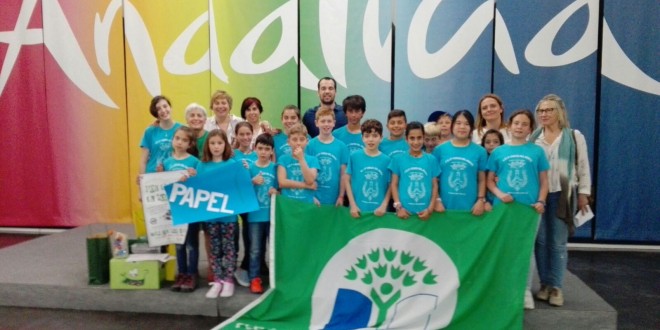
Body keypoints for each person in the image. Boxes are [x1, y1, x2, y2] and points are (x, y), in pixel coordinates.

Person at [529, 94, 592, 307]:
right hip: (537, 196)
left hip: (562, 195)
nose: (544, 114)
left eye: (549, 110)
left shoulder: (574, 137)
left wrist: (584, 193)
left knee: (557, 242)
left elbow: (583, 166)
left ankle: (556, 286)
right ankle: (544, 284)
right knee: (540, 241)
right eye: (541, 111)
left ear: (559, 113)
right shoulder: (533, 138)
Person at [486, 109, 549, 310]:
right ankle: (504, 288)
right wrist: (499, 194)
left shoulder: (537, 152)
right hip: (504, 208)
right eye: (516, 123)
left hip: (529, 210)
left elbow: (544, 181)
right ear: (509, 126)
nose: (519, 127)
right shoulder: (498, 152)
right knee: (503, 248)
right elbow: (489, 181)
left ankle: (524, 291)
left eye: (524, 124)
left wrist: (541, 201)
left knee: (526, 250)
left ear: (530, 128)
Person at [192, 129, 240, 299]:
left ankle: (228, 280)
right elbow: (197, 189)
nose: (216, 146)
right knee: (214, 248)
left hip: (229, 216)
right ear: (208, 146)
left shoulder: (232, 164)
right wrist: (189, 178)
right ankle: (218, 280)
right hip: (210, 216)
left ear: (225, 144)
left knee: (229, 248)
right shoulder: (201, 165)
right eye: (212, 143)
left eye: (219, 143)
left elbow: (239, 187)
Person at [162, 126, 201, 293]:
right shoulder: (167, 162)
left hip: (190, 209)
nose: (179, 142)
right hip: (174, 210)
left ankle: (192, 274)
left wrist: (194, 176)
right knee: (179, 243)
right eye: (177, 138)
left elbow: (201, 186)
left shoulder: (194, 162)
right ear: (172, 140)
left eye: (184, 140)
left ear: (190, 144)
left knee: (191, 244)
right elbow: (161, 185)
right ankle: (182, 273)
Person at [433, 110, 489, 215]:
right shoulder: (439, 150)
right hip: (443, 207)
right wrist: (436, 200)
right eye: (458, 123)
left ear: (472, 128)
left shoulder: (480, 151)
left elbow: (482, 179)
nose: (462, 127)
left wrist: (481, 200)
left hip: (471, 208)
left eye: (467, 124)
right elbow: (433, 179)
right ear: (452, 126)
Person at [246, 133, 279, 294]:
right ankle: (254, 278)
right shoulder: (250, 168)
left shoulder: (275, 168)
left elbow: (281, 189)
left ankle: (274, 279)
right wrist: (251, 181)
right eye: (260, 148)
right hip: (255, 217)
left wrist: (276, 191)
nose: (263, 152)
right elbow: (242, 191)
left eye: (267, 149)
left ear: (272, 151)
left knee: (273, 248)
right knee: (255, 249)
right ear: (255, 149)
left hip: (273, 217)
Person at [390, 122, 439, 220]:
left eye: (419, 138)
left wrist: (430, 209)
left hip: (425, 214)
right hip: (404, 213)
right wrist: (399, 208)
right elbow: (394, 184)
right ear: (406, 138)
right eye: (412, 138)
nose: (416, 142)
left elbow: (434, 185)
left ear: (423, 137)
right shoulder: (397, 159)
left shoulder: (431, 159)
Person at [344, 119, 391, 218]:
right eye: (367, 136)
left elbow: (391, 185)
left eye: (375, 136)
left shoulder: (387, 160)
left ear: (381, 138)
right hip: (358, 210)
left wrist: (384, 205)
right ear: (362, 138)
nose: (371, 139)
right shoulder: (354, 156)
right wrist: (352, 205)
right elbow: (347, 180)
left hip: (379, 212)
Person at [231, 121, 257, 287]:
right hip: (234, 201)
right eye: (242, 134)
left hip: (251, 201)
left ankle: (246, 267)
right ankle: (229, 267)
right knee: (232, 234)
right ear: (236, 136)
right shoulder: (232, 155)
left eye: (248, 134)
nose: (246, 137)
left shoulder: (257, 154)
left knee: (249, 236)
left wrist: (251, 170)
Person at [306, 108, 349, 206]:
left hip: (334, 199)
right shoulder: (310, 145)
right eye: (323, 121)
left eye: (329, 121)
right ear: (316, 123)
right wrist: (311, 196)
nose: (326, 124)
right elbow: (305, 172)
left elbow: (343, 174)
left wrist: (341, 196)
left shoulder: (341, 147)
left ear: (334, 123)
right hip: (314, 198)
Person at [138, 95, 182, 181]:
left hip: (174, 177)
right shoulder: (150, 131)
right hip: (153, 178)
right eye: (158, 109)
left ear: (170, 107)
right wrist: (142, 187)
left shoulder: (182, 129)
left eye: (165, 106)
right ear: (156, 114)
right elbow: (143, 161)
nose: (163, 110)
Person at [277, 124, 319, 204]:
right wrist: (306, 186)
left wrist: (301, 159)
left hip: (306, 205)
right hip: (287, 205)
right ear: (288, 142)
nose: (298, 143)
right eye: (294, 139)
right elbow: (282, 182)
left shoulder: (313, 160)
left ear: (307, 141)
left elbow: (310, 180)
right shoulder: (283, 159)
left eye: (302, 139)